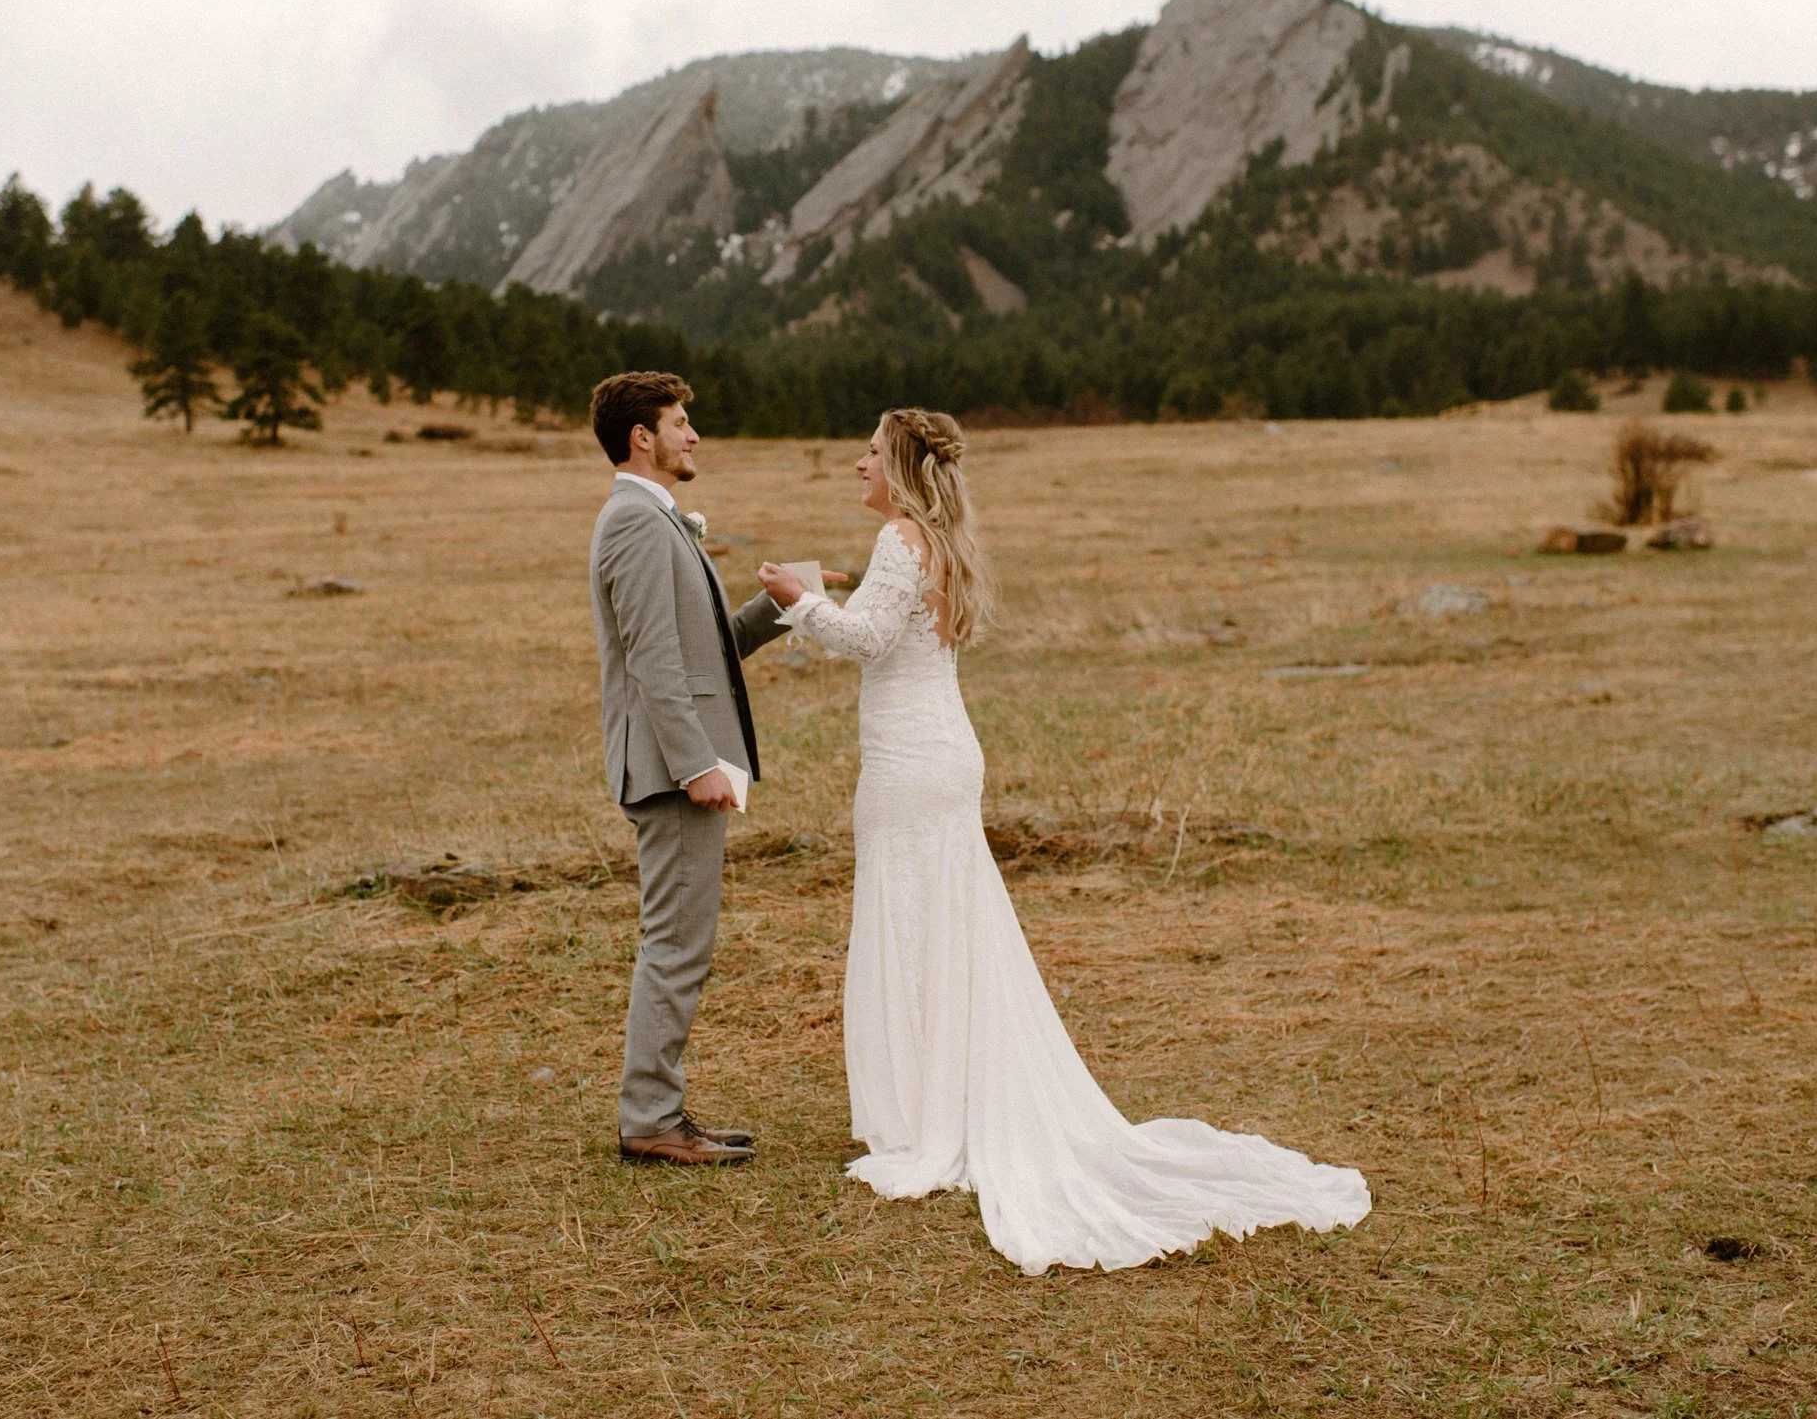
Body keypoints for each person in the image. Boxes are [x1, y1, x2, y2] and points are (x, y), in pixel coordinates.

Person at [753, 407, 1371, 1272]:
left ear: (899, 464)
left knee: (909, 923)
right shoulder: (930, 539)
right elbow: (890, 639)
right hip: (936, 754)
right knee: (941, 926)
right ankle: (944, 1101)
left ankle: (924, 1119)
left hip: (911, 768)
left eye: (869, 451)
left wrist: (799, 600)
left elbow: (866, 640)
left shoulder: (902, 537)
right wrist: (821, 599)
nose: (857, 463)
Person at [587, 371, 786, 1166]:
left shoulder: (657, 519)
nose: (692, 435)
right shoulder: (633, 522)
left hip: (684, 764)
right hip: (673, 770)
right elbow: (653, 660)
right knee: (674, 942)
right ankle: (650, 1119)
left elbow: (704, 653)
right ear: (643, 435)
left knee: (681, 940)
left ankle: (657, 1110)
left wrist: (779, 605)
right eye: (679, 422)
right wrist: (697, 761)